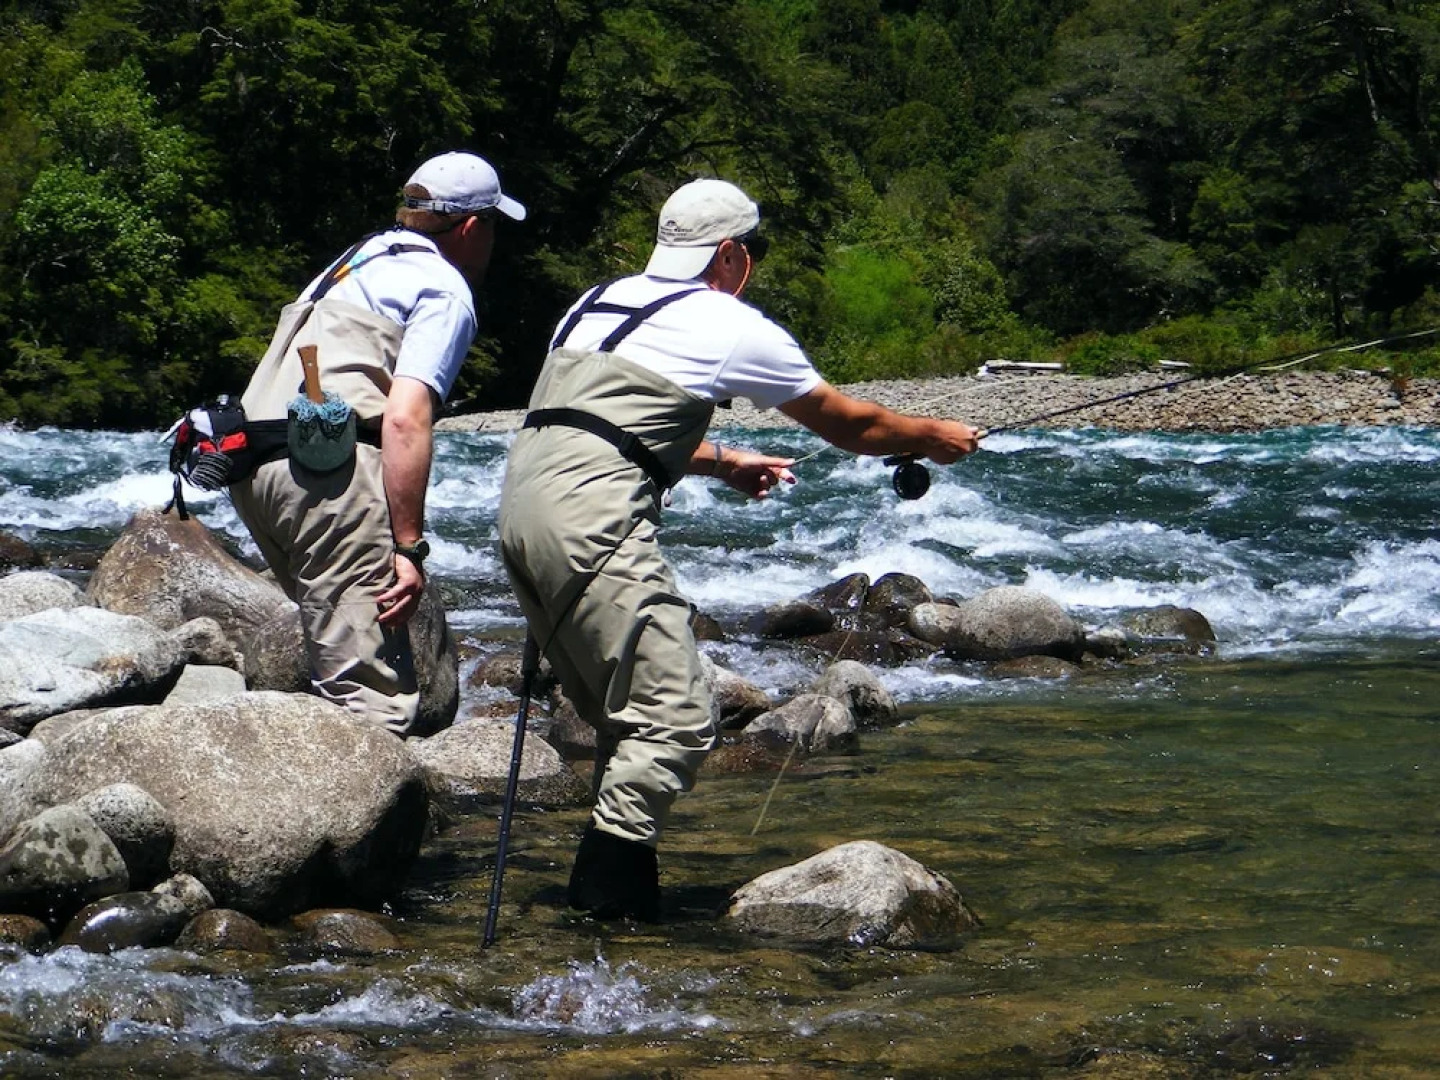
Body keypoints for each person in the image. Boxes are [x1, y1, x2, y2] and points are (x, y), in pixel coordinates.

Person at [497, 177, 980, 921]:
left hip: (521, 514)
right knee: (677, 717)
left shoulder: (591, 304)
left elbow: (589, 424)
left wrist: (723, 461)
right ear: (730, 256)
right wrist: (935, 436)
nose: (750, 266)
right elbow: (851, 424)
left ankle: (606, 907)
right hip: (591, 523)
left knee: (623, 718)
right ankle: (605, 911)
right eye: (750, 253)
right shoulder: (727, 323)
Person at [230, 151, 525, 736]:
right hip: (328, 473)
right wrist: (410, 549)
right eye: (494, 226)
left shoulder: (350, 262)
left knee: (334, 656)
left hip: (251, 466)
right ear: (471, 227)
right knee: (370, 699)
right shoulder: (443, 287)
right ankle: (340, 819)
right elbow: (406, 420)